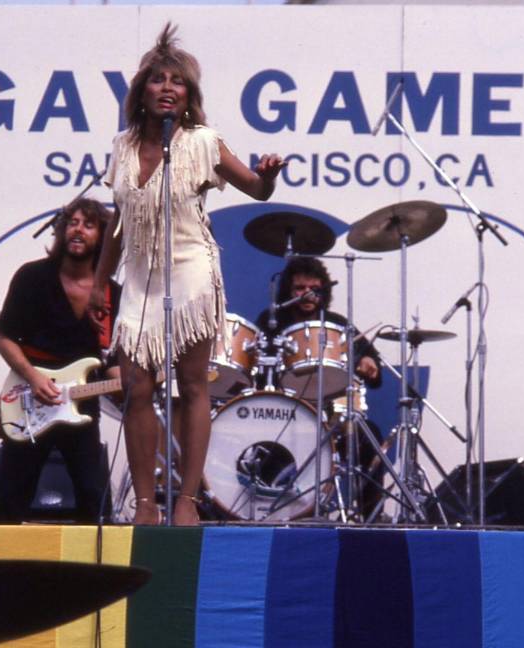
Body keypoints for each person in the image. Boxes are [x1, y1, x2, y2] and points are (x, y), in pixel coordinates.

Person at [90, 23, 285, 526]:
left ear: (189, 95)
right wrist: (99, 282)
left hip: (191, 271)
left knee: (194, 385)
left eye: (178, 81)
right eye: (158, 79)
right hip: (140, 279)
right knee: (136, 387)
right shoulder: (123, 146)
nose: (168, 88)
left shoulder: (203, 142)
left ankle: (187, 499)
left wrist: (267, 176)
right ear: (142, 92)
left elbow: (256, 189)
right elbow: (117, 222)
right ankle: (146, 503)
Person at [0, 198, 120, 523]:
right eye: (72, 223)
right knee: (9, 504)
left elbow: (111, 360)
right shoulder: (32, 277)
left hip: (82, 407)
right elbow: (4, 337)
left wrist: (128, 382)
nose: (78, 230)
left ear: (103, 237)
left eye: (88, 225)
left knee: (95, 505)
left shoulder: (111, 293)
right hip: (29, 399)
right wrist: (33, 377)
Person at [255, 256, 383, 518]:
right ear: (288, 290)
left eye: (314, 288)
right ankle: (272, 515)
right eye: (300, 288)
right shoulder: (272, 321)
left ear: (324, 291)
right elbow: (256, 370)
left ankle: (371, 517)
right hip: (285, 415)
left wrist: (370, 363)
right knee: (264, 451)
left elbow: (373, 371)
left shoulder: (337, 323)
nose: (307, 294)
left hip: (332, 417)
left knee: (370, 436)